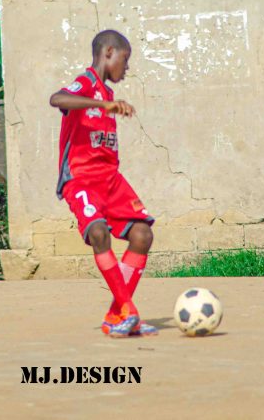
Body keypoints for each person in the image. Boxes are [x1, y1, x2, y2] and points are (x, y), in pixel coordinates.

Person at [49, 30, 156, 337]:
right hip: (81, 179)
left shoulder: (107, 94)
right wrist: (102, 106)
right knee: (98, 233)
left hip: (110, 180)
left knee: (142, 234)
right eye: (125, 58)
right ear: (109, 52)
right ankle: (129, 312)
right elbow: (57, 99)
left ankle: (116, 316)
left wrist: (108, 105)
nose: (127, 67)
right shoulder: (86, 83)